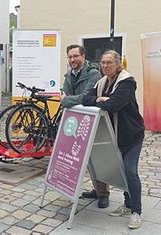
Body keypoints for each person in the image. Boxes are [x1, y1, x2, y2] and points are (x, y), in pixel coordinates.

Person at [82, 50, 145, 229]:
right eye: (102, 62)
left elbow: (114, 105)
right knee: (121, 170)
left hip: (131, 134)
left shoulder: (127, 82)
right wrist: (100, 99)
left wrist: (101, 100)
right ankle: (127, 204)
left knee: (130, 171)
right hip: (114, 134)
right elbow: (87, 98)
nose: (105, 66)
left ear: (118, 64)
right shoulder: (102, 82)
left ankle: (136, 212)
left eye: (109, 62)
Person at [60, 44, 108, 208]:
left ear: (83, 56)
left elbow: (86, 97)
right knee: (81, 158)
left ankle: (103, 194)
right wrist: (68, 98)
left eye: (75, 56)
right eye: (70, 57)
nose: (72, 59)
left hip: (93, 121)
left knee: (97, 157)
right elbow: (65, 91)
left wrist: (67, 101)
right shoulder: (69, 73)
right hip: (75, 120)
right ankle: (95, 189)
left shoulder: (93, 73)